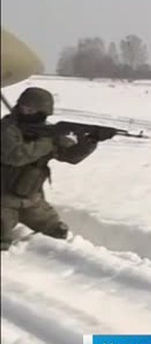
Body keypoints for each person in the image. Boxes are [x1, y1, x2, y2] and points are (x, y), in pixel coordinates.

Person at [1, 86, 101, 249]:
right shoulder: (6, 128)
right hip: (3, 201)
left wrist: (89, 142)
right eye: (23, 107)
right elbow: (15, 156)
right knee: (2, 241)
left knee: (57, 232)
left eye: (31, 109)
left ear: (43, 112)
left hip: (32, 201)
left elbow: (70, 156)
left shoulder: (47, 132)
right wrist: (48, 142)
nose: (25, 111)